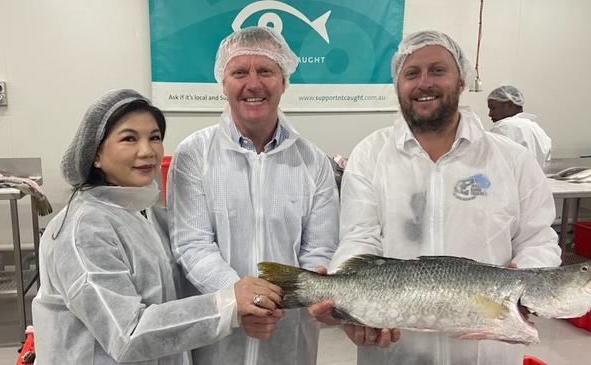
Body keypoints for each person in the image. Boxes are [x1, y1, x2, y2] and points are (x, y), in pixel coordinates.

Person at [325, 31, 562, 365]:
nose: (424, 83)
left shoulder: (511, 160)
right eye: (412, 73)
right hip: (393, 348)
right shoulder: (371, 155)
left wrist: (519, 282)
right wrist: (351, 306)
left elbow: (539, 239)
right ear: (398, 84)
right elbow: (358, 237)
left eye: (437, 70)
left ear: (461, 79)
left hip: (486, 348)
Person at [31, 89, 282, 364]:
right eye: (129, 138)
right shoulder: (83, 231)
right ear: (96, 155)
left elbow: (178, 290)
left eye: (154, 138)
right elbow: (127, 334)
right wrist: (229, 303)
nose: (147, 151)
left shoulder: (145, 212)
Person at [167, 26, 340, 365]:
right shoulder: (194, 155)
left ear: (284, 81)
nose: (253, 83)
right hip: (217, 336)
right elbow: (192, 243)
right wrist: (239, 299)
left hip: (288, 334)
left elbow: (320, 248)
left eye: (265, 71)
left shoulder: (313, 162)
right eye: (239, 72)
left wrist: (281, 300)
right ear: (224, 83)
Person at [487, 85, 552, 170]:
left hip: (511, 182)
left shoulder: (503, 127)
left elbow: (493, 164)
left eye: (493, 108)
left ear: (509, 105)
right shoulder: (536, 129)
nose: (490, 114)